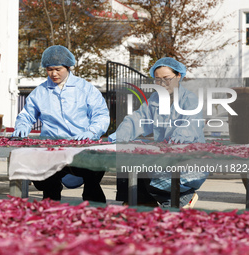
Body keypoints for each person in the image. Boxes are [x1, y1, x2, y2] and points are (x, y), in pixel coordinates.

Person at [13, 45, 110, 203]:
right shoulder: (41, 92)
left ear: (68, 67)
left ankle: (95, 208)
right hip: (52, 150)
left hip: (81, 147)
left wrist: (92, 132)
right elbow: (27, 114)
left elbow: (101, 114)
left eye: (58, 69)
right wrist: (22, 125)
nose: (53, 74)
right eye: (49, 69)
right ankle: (50, 208)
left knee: (94, 171)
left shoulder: (85, 89)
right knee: (48, 183)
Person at [108, 57, 208, 208]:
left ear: (178, 76)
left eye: (166, 79)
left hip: (186, 158)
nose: (162, 84)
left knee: (158, 177)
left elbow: (190, 126)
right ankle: (142, 201)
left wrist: (173, 144)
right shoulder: (155, 100)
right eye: (158, 80)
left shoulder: (190, 100)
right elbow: (136, 119)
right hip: (163, 154)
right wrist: (118, 137)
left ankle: (183, 199)